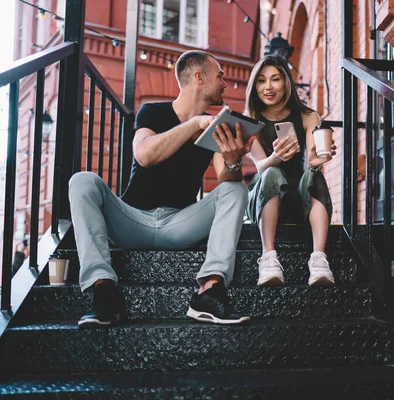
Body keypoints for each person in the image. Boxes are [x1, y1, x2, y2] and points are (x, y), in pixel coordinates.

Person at [69, 50, 255, 328]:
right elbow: (145, 154)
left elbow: (226, 178)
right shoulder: (152, 111)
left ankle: (209, 291)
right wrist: (192, 124)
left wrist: (233, 159)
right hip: (132, 221)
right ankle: (103, 291)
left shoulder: (214, 127)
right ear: (199, 78)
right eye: (220, 77)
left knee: (236, 190)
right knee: (82, 181)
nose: (225, 84)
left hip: (179, 224)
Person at [244, 55, 336, 286]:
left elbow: (312, 162)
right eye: (261, 80)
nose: (268, 87)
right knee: (272, 173)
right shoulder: (249, 119)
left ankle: (319, 259)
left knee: (313, 176)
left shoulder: (308, 116)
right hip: (264, 197)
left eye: (275, 79)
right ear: (254, 86)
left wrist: (315, 162)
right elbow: (259, 166)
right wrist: (275, 158)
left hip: (300, 198)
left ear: (286, 82)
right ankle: (268, 257)